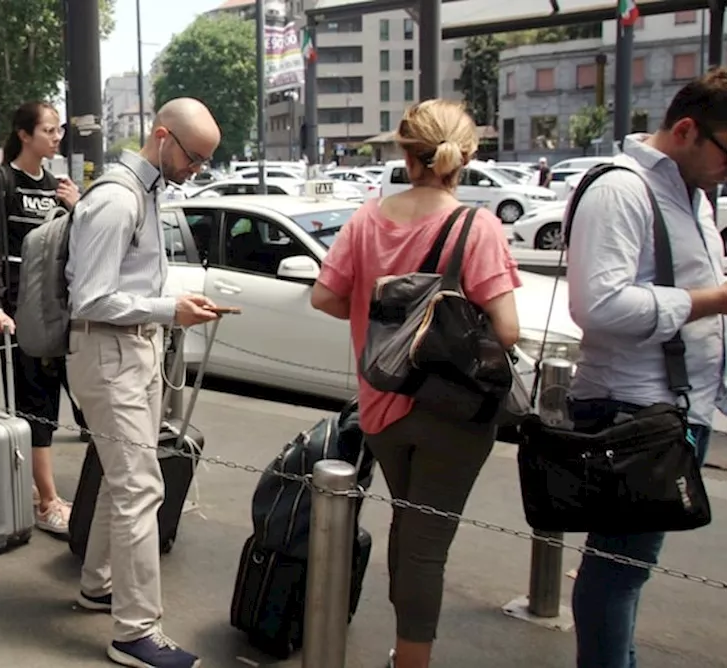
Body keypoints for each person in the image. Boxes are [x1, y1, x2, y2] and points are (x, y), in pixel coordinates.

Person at [311, 99, 521, 668]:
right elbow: (507, 329)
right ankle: (411, 660)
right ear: (467, 156)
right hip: (451, 411)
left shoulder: (366, 218)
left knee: (408, 525)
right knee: (427, 546)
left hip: (382, 402)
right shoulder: (478, 228)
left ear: (405, 153)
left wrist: (383, 322)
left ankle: (403, 649)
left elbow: (324, 296)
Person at [562, 69, 728, 668]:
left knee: (626, 567)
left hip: (672, 405)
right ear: (686, 129)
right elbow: (599, 306)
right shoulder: (622, 189)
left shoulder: (693, 192)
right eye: (727, 152)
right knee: (619, 569)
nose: (727, 168)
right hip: (634, 408)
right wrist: (717, 299)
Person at [66, 97, 223, 668]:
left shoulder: (140, 192)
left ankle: (98, 585)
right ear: (162, 137)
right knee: (138, 488)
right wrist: (167, 310)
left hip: (124, 351)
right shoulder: (117, 198)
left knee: (123, 480)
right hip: (110, 352)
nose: (196, 169)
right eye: (194, 157)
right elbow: (91, 296)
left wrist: (166, 309)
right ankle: (134, 631)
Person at [0, 100, 82, 535]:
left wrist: (77, 208)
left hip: (55, 309)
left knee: (64, 399)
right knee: (35, 403)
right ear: (24, 134)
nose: (57, 137)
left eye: (58, 130)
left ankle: (44, 490)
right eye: (49, 130)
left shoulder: (56, 184)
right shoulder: (0, 182)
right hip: (18, 312)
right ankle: (46, 500)